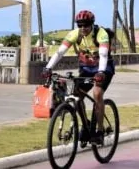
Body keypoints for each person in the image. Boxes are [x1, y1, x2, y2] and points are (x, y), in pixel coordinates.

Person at [42, 10, 114, 144]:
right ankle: (86, 125)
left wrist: (101, 72)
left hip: (104, 68)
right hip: (86, 68)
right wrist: (48, 68)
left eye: (86, 25)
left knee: (97, 93)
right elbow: (59, 53)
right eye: (80, 25)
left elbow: (103, 55)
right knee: (76, 93)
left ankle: (99, 131)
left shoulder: (101, 34)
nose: (83, 28)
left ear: (92, 24)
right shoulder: (75, 34)